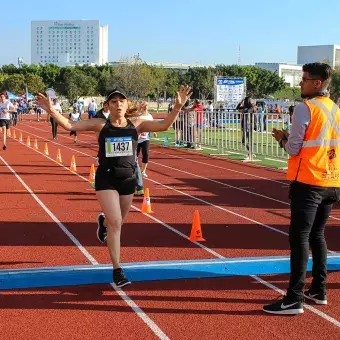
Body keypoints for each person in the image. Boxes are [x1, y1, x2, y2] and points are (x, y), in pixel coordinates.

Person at [36, 85, 192, 288]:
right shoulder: (101, 124)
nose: (118, 104)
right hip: (106, 179)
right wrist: (51, 109)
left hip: (128, 180)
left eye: (121, 101)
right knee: (116, 222)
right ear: (108, 105)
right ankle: (117, 270)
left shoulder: (137, 124)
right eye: (114, 101)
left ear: (127, 104)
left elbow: (164, 126)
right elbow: (69, 125)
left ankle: (103, 222)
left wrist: (178, 107)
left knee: (116, 223)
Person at [263, 63, 340, 315]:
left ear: (317, 83)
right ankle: (319, 289)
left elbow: (294, 148)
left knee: (299, 239)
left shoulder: (305, 108)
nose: (300, 83)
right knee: (318, 235)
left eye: (304, 79)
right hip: (332, 180)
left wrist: (282, 139)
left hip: (309, 181)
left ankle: (294, 298)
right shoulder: (334, 109)